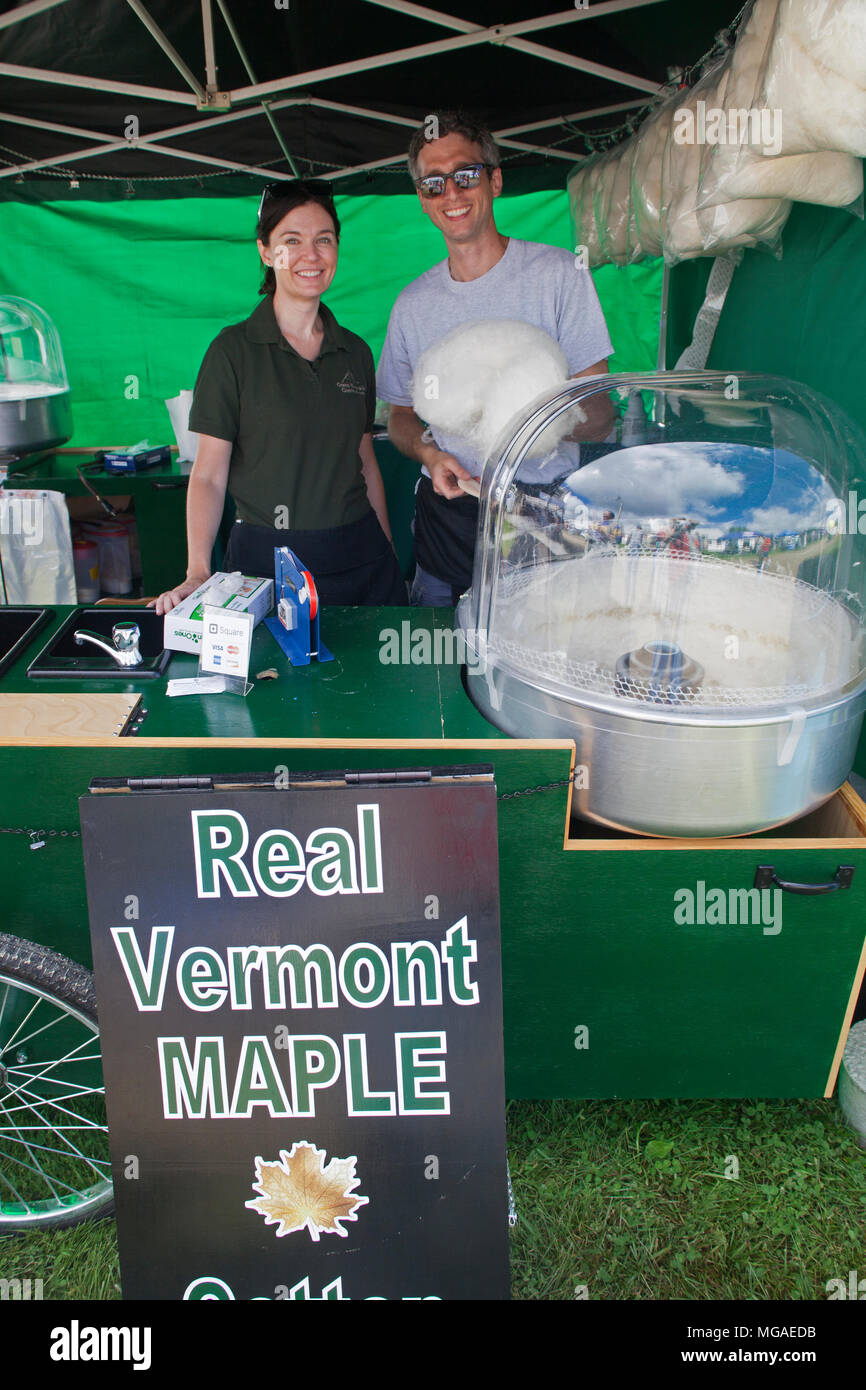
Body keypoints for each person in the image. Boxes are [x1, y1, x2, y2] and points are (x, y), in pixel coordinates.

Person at [377, 111, 616, 607]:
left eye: (466, 176)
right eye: (433, 184)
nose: (452, 194)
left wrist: (522, 422)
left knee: (545, 663)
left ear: (495, 180)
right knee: (442, 672)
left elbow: (599, 413)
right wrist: (429, 454)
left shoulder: (559, 275)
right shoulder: (412, 305)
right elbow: (399, 415)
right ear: (422, 200)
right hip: (450, 522)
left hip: (547, 517)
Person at [154, 180, 405, 615]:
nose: (311, 255)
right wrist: (198, 570)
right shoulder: (232, 352)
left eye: (323, 240)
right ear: (266, 252)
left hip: (359, 560)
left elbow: (364, 460)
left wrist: (386, 549)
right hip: (263, 566)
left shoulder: (356, 353)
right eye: (292, 241)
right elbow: (210, 475)